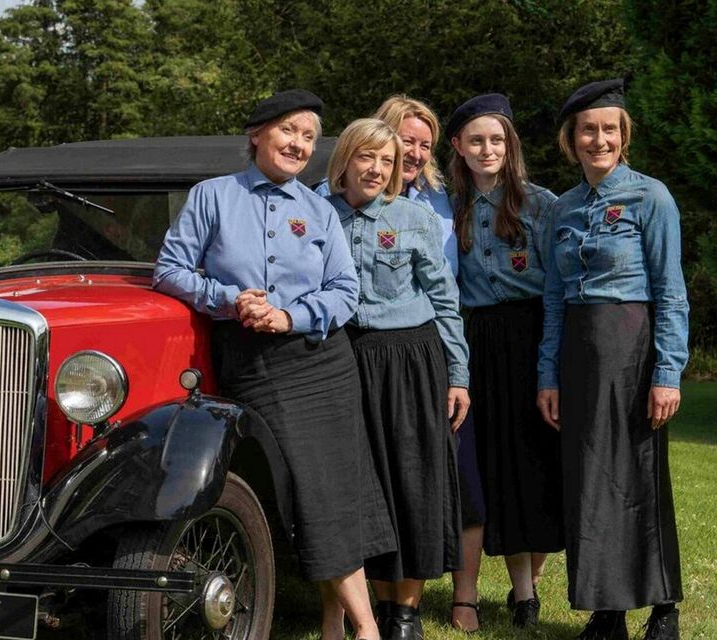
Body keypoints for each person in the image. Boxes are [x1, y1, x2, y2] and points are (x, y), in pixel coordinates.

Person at [153, 90, 397, 640]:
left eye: (309, 137)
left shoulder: (317, 209)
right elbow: (169, 270)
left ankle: (354, 625)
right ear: (258, 134)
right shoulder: (212, 196)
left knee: (337, 489)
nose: (298, 144)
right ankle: (359, 624)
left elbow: (345, 291)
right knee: (309, 493)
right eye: (289, 131)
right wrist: (228, 300)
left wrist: (292, 316)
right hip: (254, 364)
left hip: (322, 363)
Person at [536, 79, 688, 640]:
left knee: (640, 477)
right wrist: (547, 374)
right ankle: (607, 612)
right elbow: (553, 298)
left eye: (609, 130)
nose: (598, 140)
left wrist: (667, 372)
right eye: (587, 130)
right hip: (579, 352)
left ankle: (664, 608)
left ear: (624, 137)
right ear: (570, 140)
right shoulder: (564, 208)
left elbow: (671, 290)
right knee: (591, 482)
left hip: (632, 350)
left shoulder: (652, 197)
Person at [325, 117, 470, 640]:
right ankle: (377, 604)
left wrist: (458, 374)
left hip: (411, 359)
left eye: (387, 161)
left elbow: (445, 299)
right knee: (370, 485)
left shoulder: (412, 217)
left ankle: (405, 613)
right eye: (368, 157)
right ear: (346, 158)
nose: (377, 169)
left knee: (413, 481)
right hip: (346, 360)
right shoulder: (319, 214)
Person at [447, 93, 564, 629]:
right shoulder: (449, 206)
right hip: (480, 340)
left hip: (533, 332)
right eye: (476, 140)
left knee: (534, 464)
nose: (487, 148)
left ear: (510, 145)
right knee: (496, 467)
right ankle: (520, 595)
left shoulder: (542, 204)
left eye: (496, 139)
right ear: (459, 148)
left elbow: (558, 289)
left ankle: (529, 587)